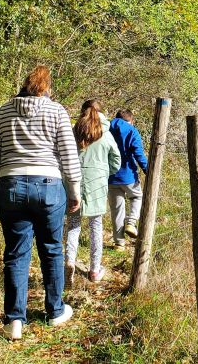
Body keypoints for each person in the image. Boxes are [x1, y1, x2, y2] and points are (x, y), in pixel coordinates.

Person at [0, 65, 81, 341]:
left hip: (10, 185)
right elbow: (68, 156)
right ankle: (55, 311)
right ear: (47, 88)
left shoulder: (3, 111)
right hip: (49, 186)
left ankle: (14, 319)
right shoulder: (56, 111)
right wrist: (74, 191)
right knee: (51, 249)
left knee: (16, 253)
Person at [65, 100, 121, 285]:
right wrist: (104, 172)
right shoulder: (106, 134)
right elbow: (116, 161)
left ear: (82, 112)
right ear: (101, 113)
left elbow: (63, 155)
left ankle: (69, 262)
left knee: (73, 225)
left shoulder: (73, 132)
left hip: (74, 183)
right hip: (97, 184)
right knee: (96, 226)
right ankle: (95, 270)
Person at [108, 109, 148, 249]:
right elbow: (139, 154)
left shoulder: (106, 128)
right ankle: (131, 222)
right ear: (131, 120)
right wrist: (147, 170)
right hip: (128, 176)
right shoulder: (132, 131)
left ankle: (119, 243)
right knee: (136, 197)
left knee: (117, 210)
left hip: (110, 176)